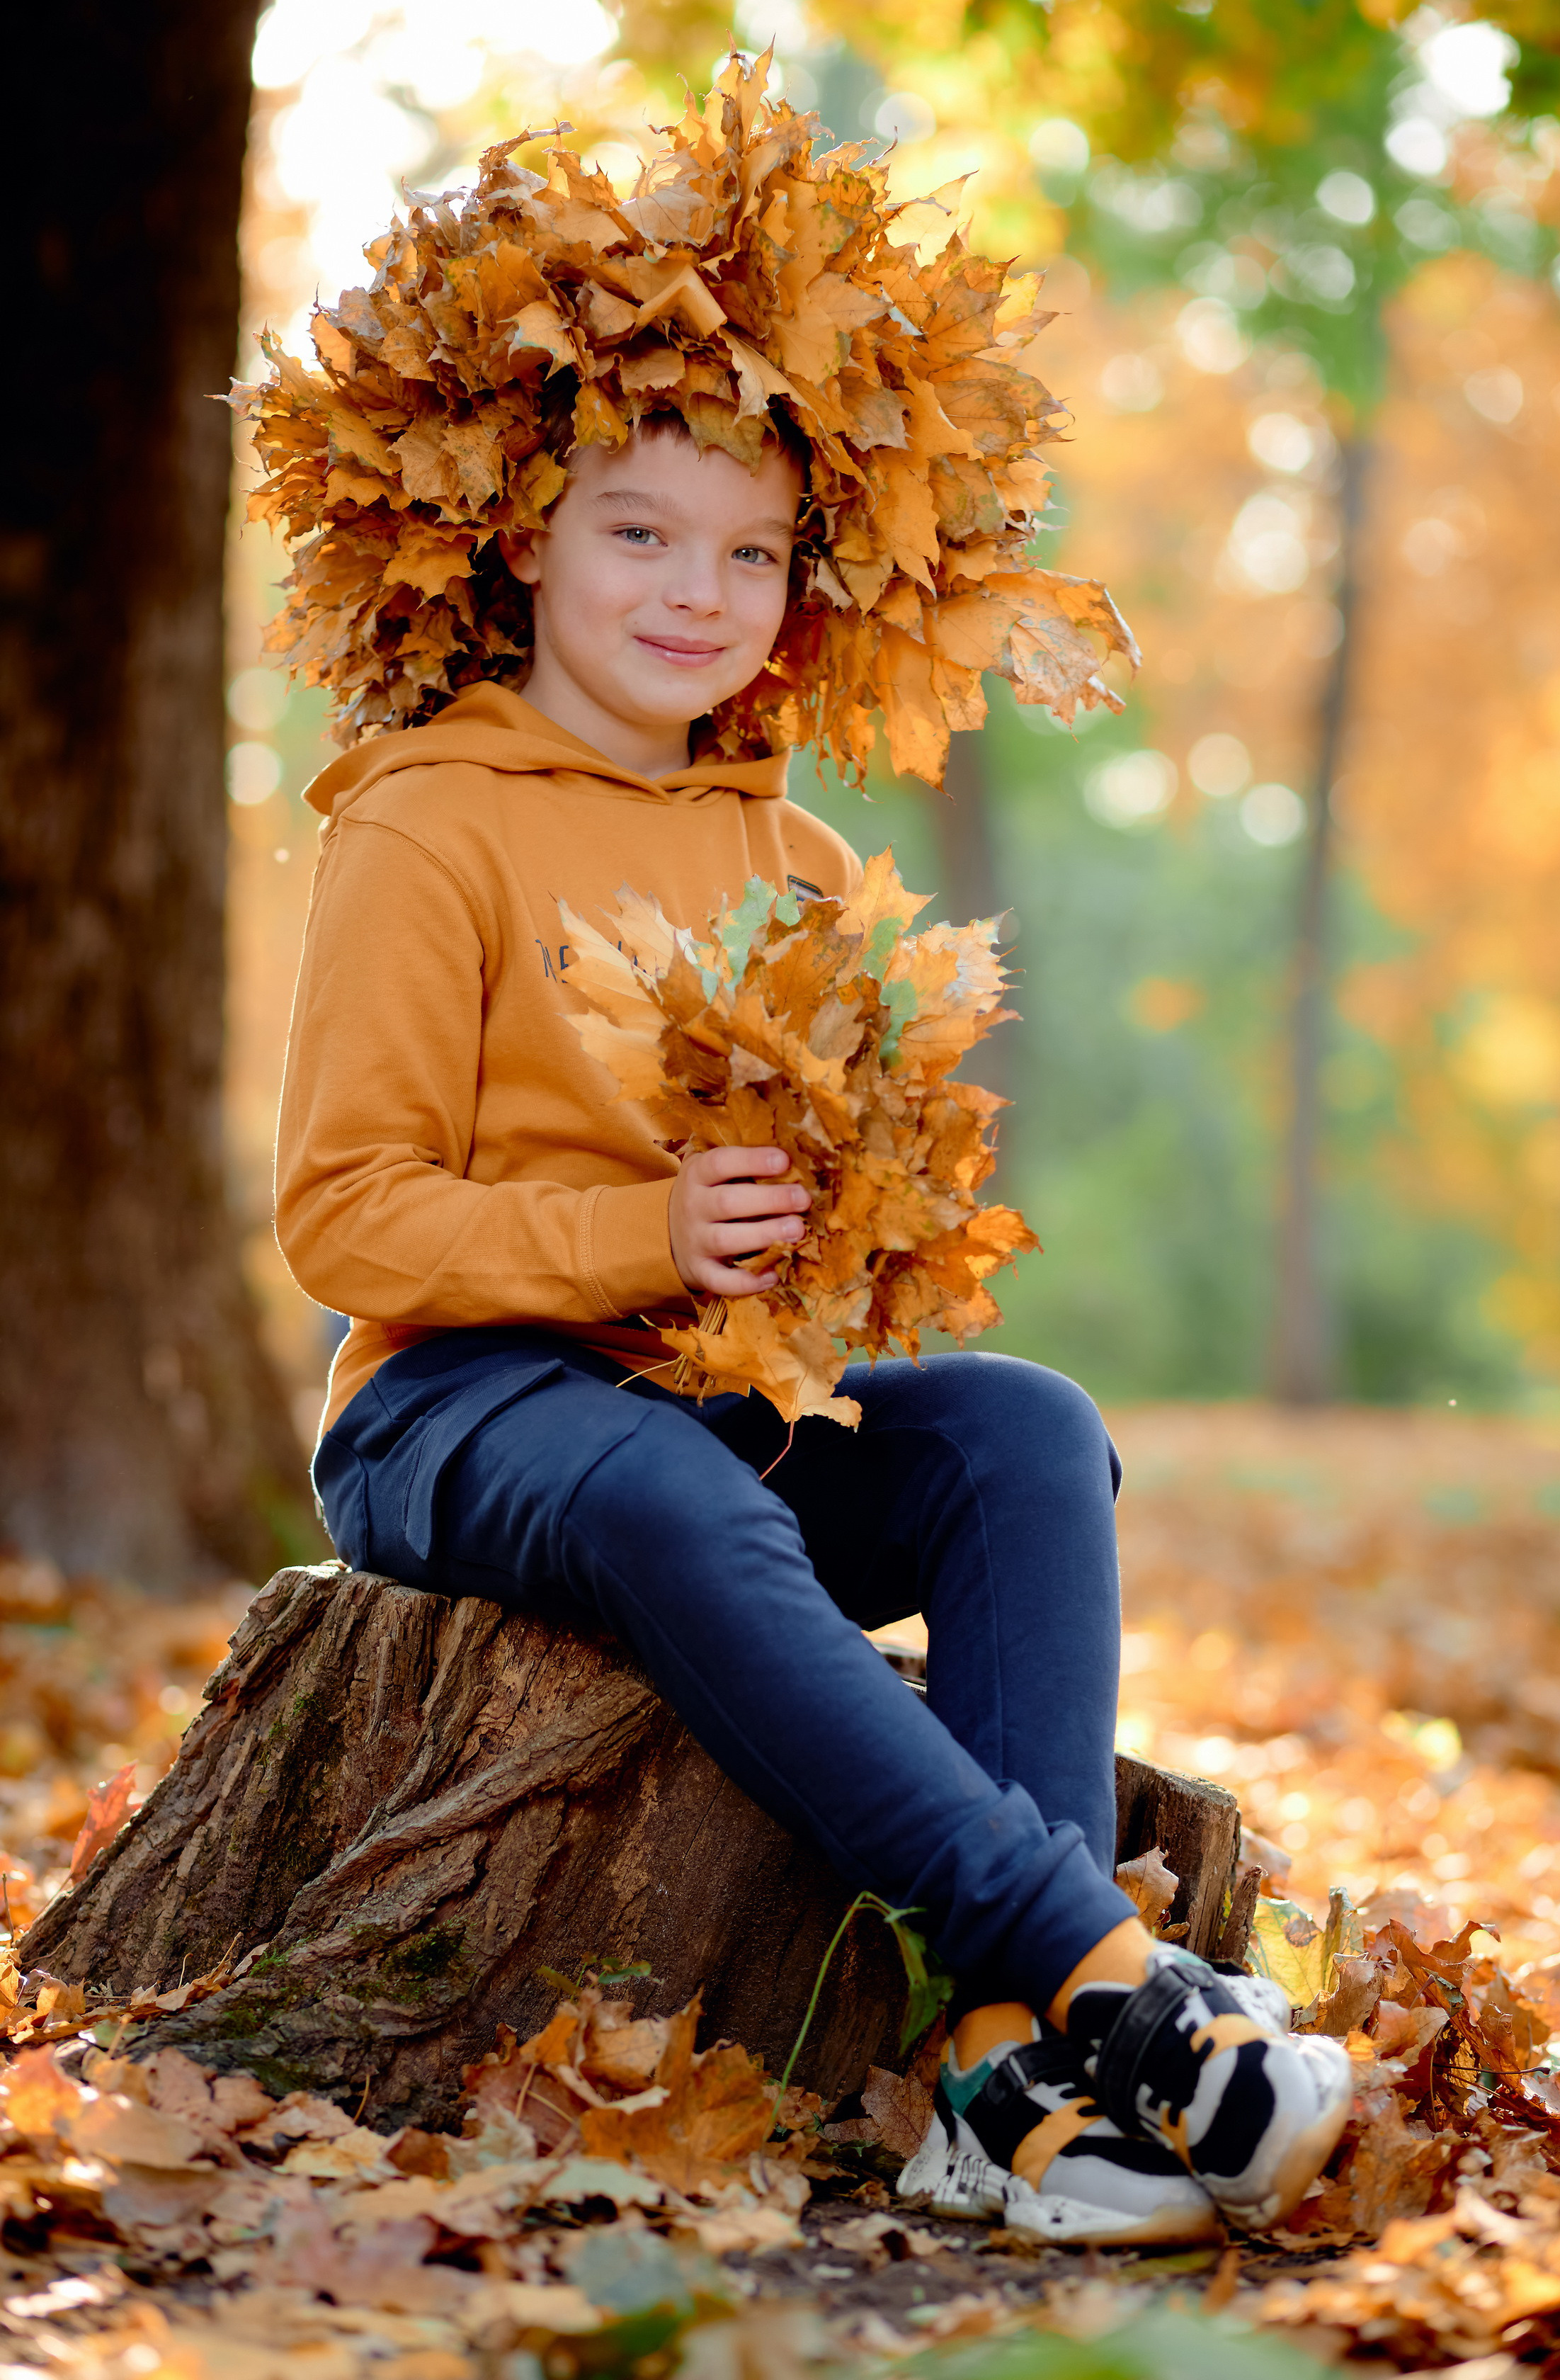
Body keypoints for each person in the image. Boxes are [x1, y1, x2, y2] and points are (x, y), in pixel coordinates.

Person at [258, 59, 1352, 2246]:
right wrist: (633, 1227)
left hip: (696, 1403)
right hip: (453, 1409)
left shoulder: (789, 847)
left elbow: (815, 1230)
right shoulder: (419, 821)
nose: (697, 592)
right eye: (639, 533)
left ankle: (1003, 2073)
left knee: (1027, 1431)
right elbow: (337, 1213)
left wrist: (840, 1238)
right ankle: (1112, 1987)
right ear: (516, 538)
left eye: (750, 550)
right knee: (662, 1477)